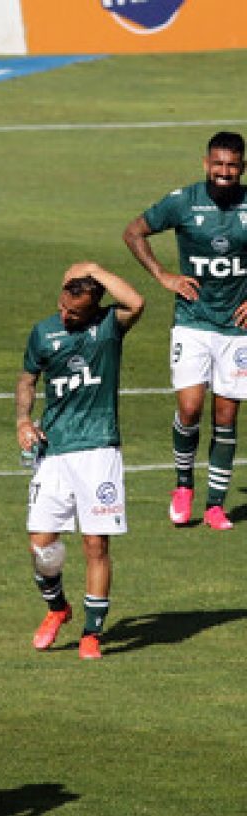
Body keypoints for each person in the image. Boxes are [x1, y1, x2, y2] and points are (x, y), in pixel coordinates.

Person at [15, 263, 145, 660]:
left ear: (94, 309)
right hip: (54, 450)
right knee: (41, 544)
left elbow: (136, 301)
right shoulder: (44, 332)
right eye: (62, 307)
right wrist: (23, 419)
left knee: (95, 544)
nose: (65, 315)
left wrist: (94, 269)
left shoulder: (109, 326)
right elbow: (27, 379)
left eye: (74, 312)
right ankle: (57, 608)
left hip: (99, 449)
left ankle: (92, 632)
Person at [123, 131, 247, 531]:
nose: (224, 172)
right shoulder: (183, 201)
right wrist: (162, 275)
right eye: (218, 164)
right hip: (193, 321)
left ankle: (214, 506)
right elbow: (134, 232)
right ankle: (182, 486)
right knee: (190, 408)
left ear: (242, 167)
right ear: (206, 163)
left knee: (226, 415)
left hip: (237, 328)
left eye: (232, 165)